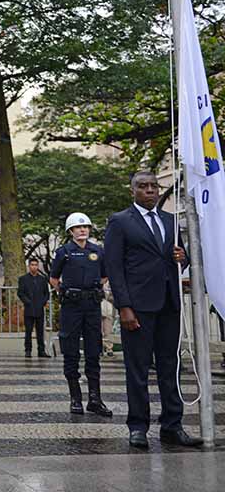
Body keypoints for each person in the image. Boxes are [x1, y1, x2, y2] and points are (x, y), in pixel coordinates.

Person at [104, 171, 203, 448]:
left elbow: (180, 259)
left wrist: (182, 259)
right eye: (143, 186)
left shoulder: (170, 221)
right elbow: (114, 267)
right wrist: (124, 306)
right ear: (132, 190)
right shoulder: (120, 221)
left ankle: (173, 425)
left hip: (169, 304)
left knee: (171, 367)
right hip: (138, 307)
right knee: (137, 369)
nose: (150, 190)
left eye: (153, 186)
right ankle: (138, 426)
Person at [49, 213, 112, 417]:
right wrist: (68, 292)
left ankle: (95, 399)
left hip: (92, 304)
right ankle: (75, 398)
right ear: (71, 231)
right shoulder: (64, 252)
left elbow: (104, 275)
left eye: (85, 227)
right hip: (71, 306)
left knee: (94, 350)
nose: (82, 230)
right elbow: (53, 278)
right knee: (71, 350)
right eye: (78, 227)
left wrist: (90, 290)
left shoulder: (98, 251)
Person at [17, 258, 51, 358]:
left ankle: (41, 350)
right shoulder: (23, 279)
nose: (34, 267)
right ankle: (28, 350)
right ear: (29, 266)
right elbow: (20, 293)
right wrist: (27, 302)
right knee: (28, 331)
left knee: (40, 331)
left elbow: (46, 293)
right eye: (32, 265)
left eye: (36, 265)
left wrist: (43, 302)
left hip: (39, 308)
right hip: (29, 308)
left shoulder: (42, 279)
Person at [100, 285, 116, 357]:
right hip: (98, 306)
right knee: (97, 329)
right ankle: (99, 348)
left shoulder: (110, 280)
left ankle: (109, 348)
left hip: (109, 307)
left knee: (108, 330)